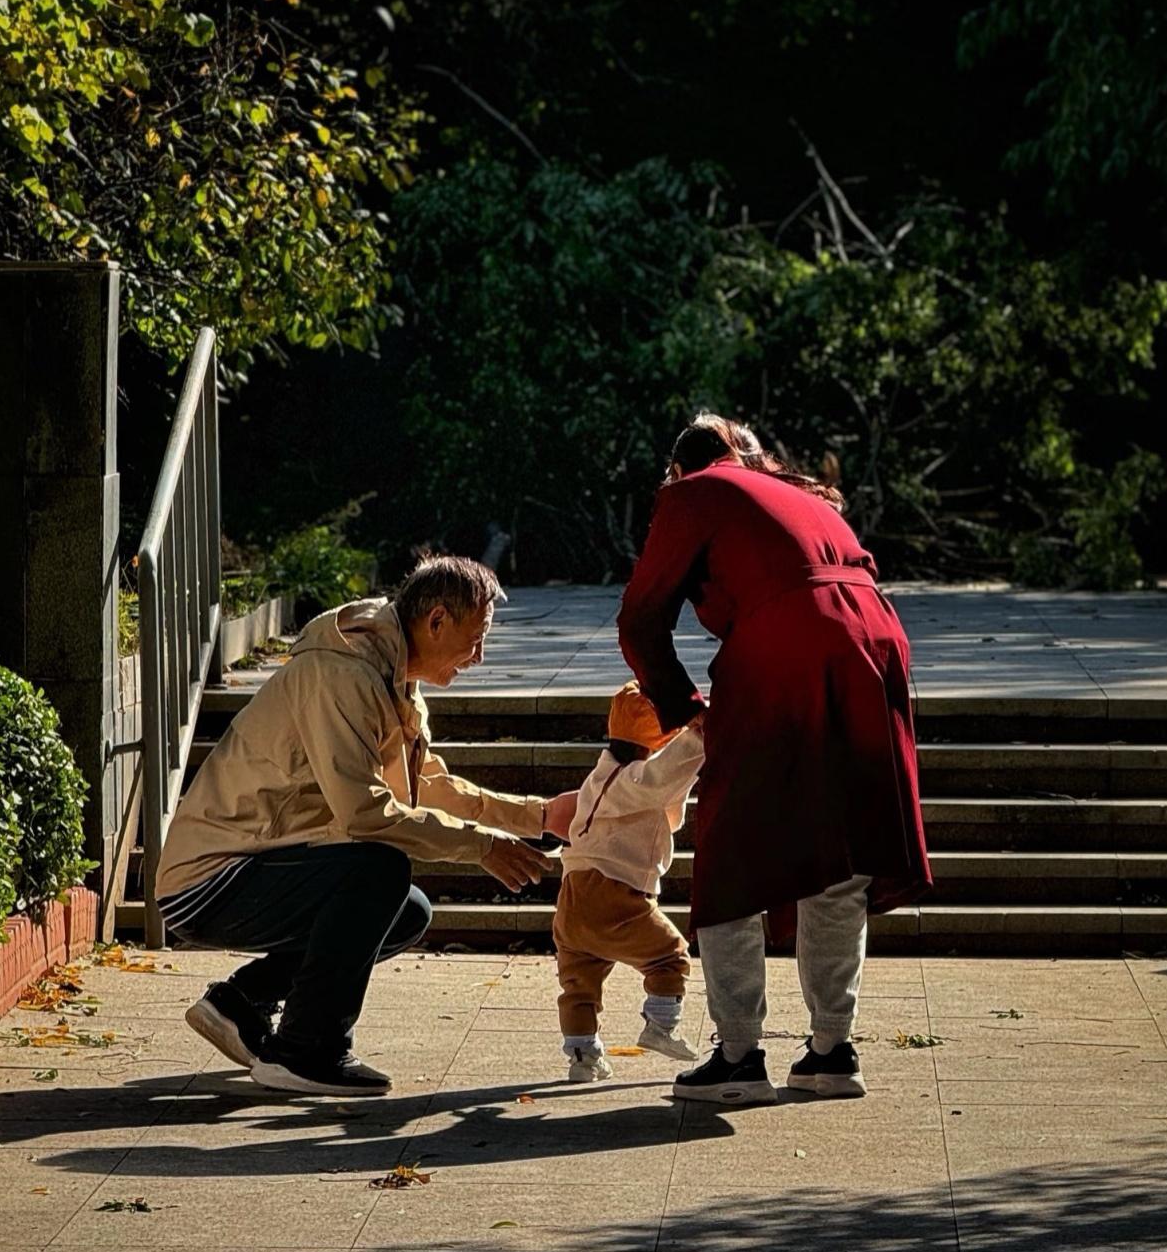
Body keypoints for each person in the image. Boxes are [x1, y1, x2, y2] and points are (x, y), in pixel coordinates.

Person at [156, 556, 562, 1098]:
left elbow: (427, 785)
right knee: (378, 870)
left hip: (256, 864)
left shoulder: (390, 674)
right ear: (436, 621)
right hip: (210, 881)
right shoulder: (343, 674)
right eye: (476, 639)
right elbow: (365, 812)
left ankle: (242, 1001)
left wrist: (538, 816)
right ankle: (306, 1052)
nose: (479, 656)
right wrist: (480, 847)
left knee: (407, 911)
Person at [618, 413, 932, 1106]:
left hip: (789, 640)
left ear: (680, 467)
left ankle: (737, 1057)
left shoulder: (693, 489)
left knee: (731, 852)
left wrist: (684, 704)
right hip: (876, 639)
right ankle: (832, 1051)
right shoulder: (798, 493)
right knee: (842, 853)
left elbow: (640, 618)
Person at [553, 680, 703, 1084]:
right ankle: (661, 1025)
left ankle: (583, 1057)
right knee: (670, 956)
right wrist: (700, 737)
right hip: (614, 893)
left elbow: (665, 790)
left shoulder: (600, 778)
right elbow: (667, 774)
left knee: (579, 983)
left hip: (571, 900)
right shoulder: (634, 781)